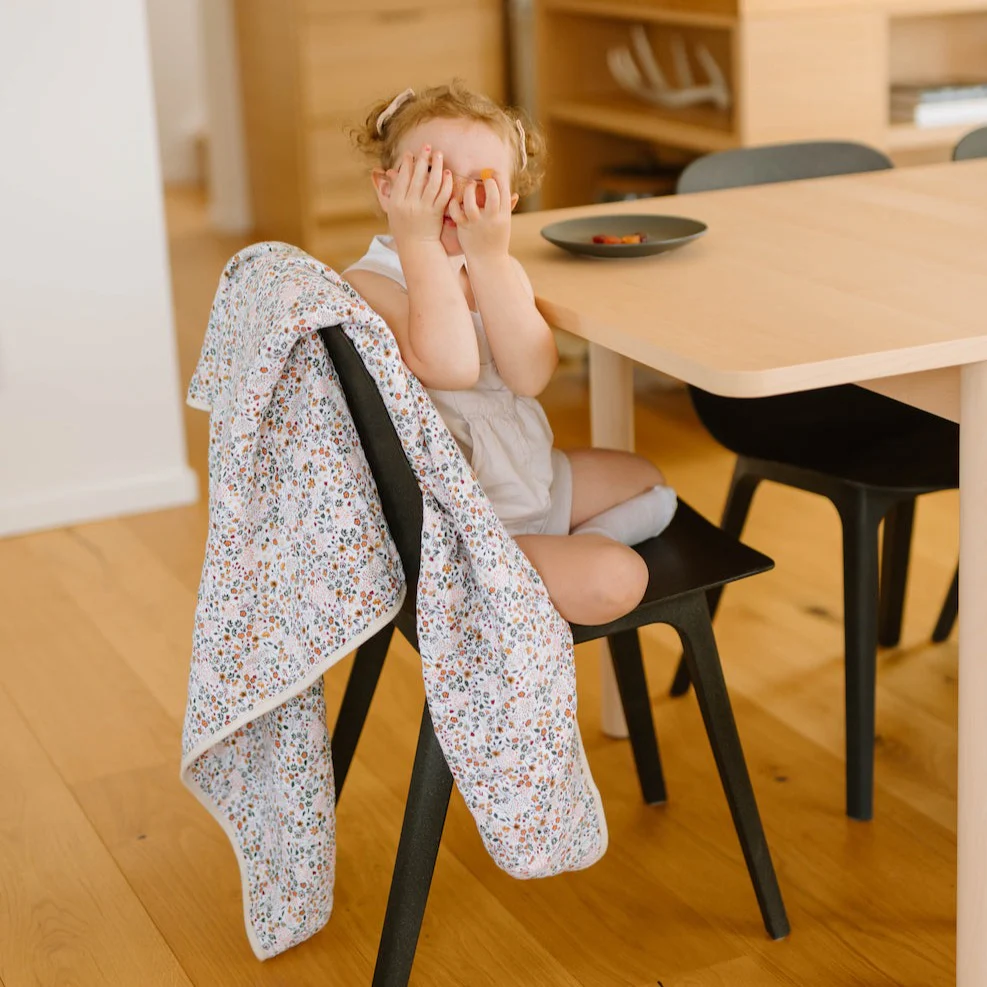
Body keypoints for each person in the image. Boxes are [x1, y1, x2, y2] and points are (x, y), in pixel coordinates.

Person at [344, 82, 677, 626]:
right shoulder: (369, 283)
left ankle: (539, 567)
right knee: (620, 578)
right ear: (388, 189)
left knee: (650, 482)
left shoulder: (493, 265)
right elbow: (449, 365)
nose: (454, 199)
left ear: (509, 204)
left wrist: (492, 259)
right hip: (466, 526)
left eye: (480, 185)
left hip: (529, 480)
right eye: (433, 177)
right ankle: (501, 577)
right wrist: (420, 243)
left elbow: (531, 375)